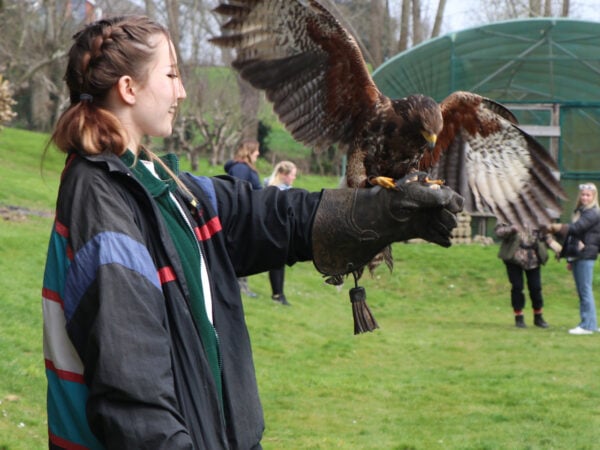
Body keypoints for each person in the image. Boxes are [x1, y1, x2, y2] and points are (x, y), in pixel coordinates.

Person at [41, 15, 463, 449]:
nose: (181, 91)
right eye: (171, 74)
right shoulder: (102, 201)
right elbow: (135, 402)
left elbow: (259, 215)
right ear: (128, 89)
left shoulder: (159, 182)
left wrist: (377, 212)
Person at [546, 182, 600, 335]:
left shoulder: (593, 213)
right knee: (584, 290)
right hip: (578, 255)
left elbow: (576, 229)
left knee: (584, 290)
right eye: (583, 195)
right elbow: (575, 236)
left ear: (594, 197)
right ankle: (591, 323)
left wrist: (555, 227)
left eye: (588, 195)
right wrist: (570, 260)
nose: (585, 197)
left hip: (586, 255)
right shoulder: (581, 211)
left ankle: (587, 326)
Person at [495, 223, 562, 328]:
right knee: (517, 287)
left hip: (533, 258)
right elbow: (498, 232)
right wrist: (511, 229)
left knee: (536, 287)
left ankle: (538, 317)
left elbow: (545, 234)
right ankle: (519, 317)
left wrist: (556, 248)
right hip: (514, 258)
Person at [224, 139, 262, 297]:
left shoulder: (244, 167)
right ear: (249, 151)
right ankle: (237, 287)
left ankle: (240, 287)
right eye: (256, 150)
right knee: (239, 251)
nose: (258, 154)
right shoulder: (241, 169)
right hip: (241, 216)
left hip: (245, 215)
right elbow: (237, 192)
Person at [264, 161, 297, 305]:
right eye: (292, 175)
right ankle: (278, 294)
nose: (294, 178)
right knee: (277, 262)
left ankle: (278, 293)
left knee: (276, 262)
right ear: (284, 174)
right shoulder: (282, 191)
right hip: (277, 230)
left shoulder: (267, 185)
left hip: (269, 228)